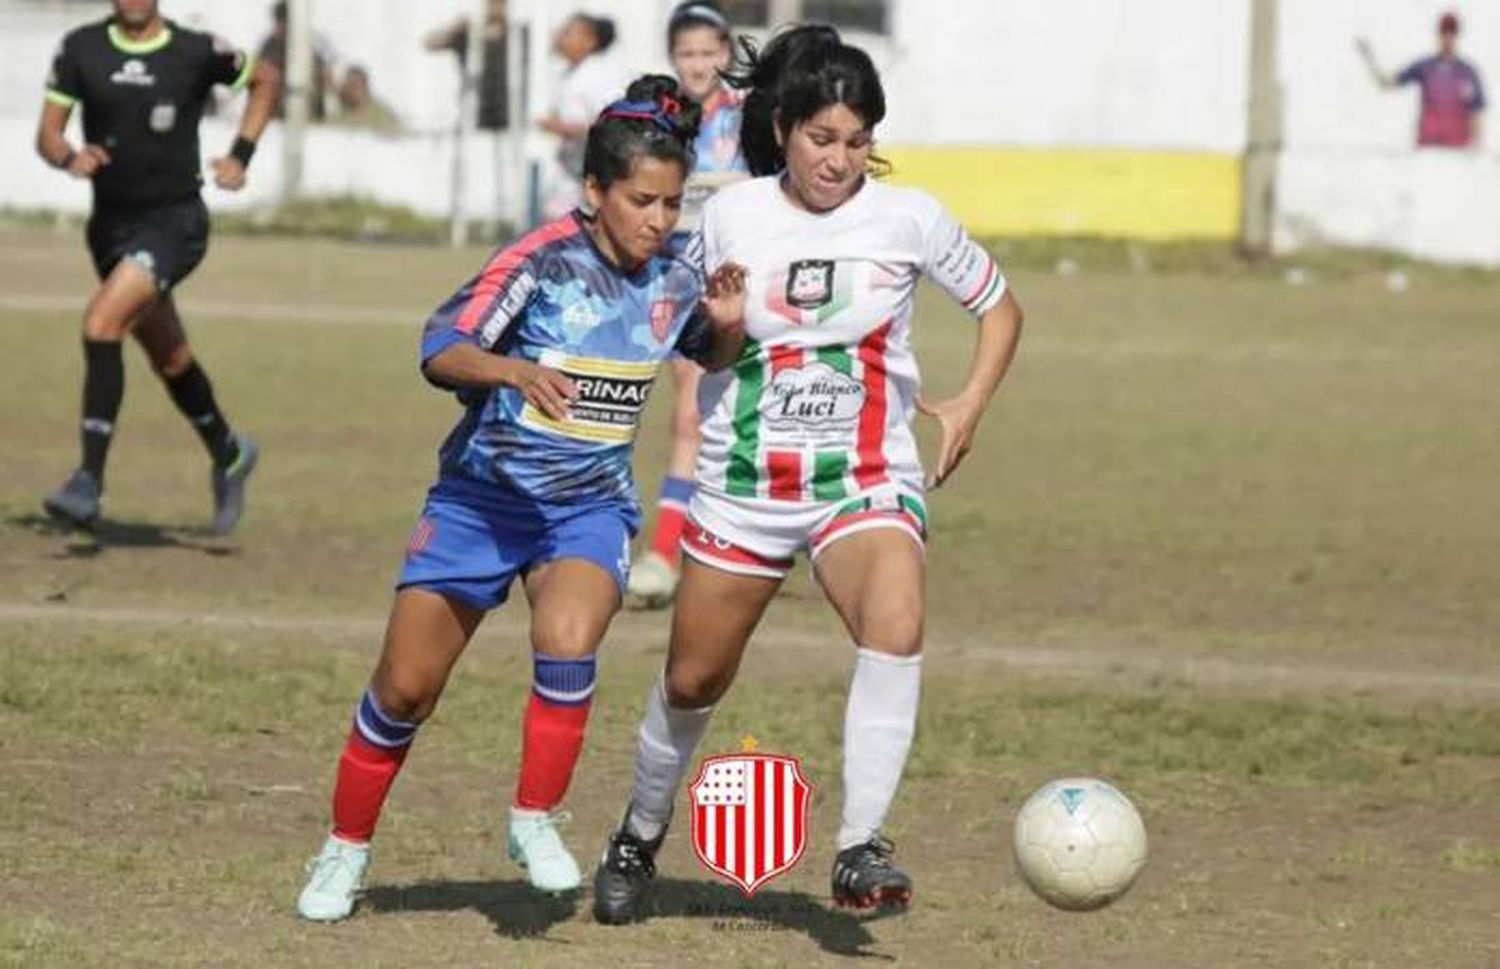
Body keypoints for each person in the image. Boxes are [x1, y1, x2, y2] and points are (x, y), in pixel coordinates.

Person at [592, 24, 1025, 923]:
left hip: (863, 479)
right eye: (823, 139)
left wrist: (969, 403)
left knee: (896, 622)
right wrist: (724, 324)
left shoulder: (909, 219)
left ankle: (861, 845)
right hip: (744, 485)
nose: (840, 160)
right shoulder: (730, 216)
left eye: (858, 142)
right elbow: (700, 348)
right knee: (692, 681)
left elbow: (1000, 306)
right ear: (783, 126)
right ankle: (638, 830)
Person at [294, 75, 749, 923]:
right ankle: (344, 848)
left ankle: (533, 818)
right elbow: (441, 346)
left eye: (671, 203)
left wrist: (726, 323)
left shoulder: (676, 276)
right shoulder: (541, 261)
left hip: (587, 508)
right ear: (594, 193)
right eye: (641, 200)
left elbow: (712, 354)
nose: (658, 219)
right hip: (482, 500)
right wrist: (513, 370)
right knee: (403, 690)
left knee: (569, 637)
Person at [36, 0, 278, 533]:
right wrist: (69, 157)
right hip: (110, 230)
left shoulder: (195, 50)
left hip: (176, 226)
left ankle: (88, 481)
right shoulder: (82, 48)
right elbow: (49, 133)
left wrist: (241, 155)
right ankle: (231, 454)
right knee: (170, 358)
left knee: (102, 324)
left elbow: (264, 79)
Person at [626, 0, 751, 610]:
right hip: (686, 290)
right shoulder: (666, 122)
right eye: (687, 54)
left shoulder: (751, 120)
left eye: (709, 53)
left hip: (750, 287)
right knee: (691, 416)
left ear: (726, 53)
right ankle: (665, 556)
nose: (699, 64)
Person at [538, 13, 624, 220]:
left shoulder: (596, 75)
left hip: (592, 177)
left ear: (589, 40)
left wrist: (564, 128)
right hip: (569, 174)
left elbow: (612, 123)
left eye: (568, 33)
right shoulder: (568, 74)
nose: (560, 37)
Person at [1358, 11, 1486, 149]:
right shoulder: (1425, 67)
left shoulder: (1468, 72)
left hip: (1458, 150)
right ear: (1439, 34)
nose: (1448, 37)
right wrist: (1369, 58)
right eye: (1444, 32)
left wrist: (1476, 147)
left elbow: (1478, 113)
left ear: (1457, 35)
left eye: (1452, 32)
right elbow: (1386, 83)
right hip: (1428, 149)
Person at [257, 0, 335, 121]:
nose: (283, 29)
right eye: (280, 23)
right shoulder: (269, 47)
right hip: (276, 117)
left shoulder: (312, 45)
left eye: (287, 23)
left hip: (310, 116)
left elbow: (325, 80)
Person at [331, 65, 402, 135]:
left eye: (355, 86)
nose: (350, 91)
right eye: (348, 86)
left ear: (365, 88)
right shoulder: (339, 114)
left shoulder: (381, 114)